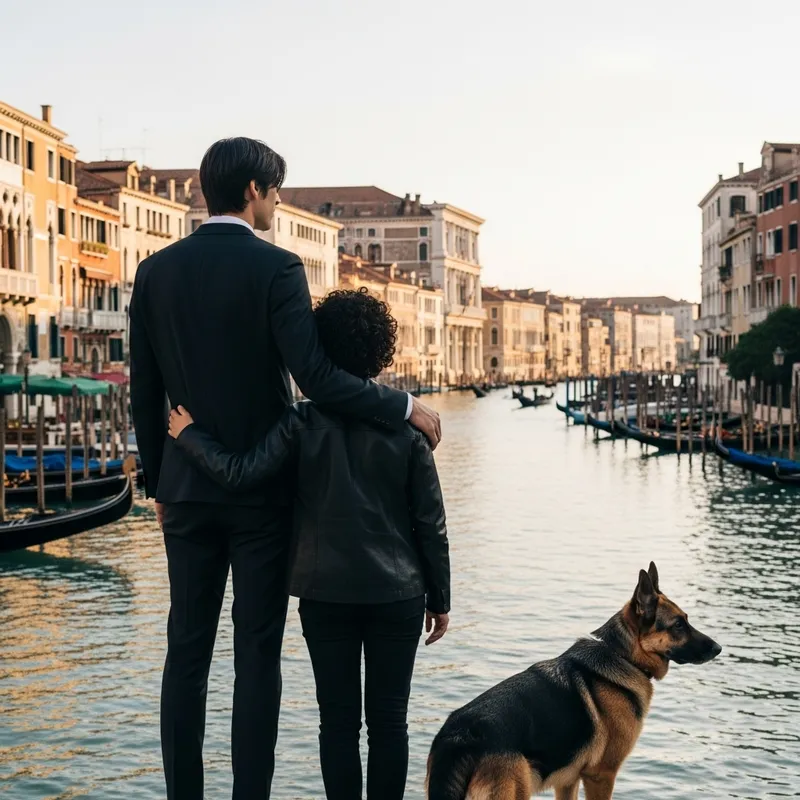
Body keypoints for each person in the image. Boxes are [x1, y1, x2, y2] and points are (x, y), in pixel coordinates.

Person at [129, 137, 442, 800]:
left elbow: (144, 387)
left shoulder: (155, 272)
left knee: (185, 653)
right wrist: (403, 404)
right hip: (261, 497)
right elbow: (320, 381)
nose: (277, 204)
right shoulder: (278, 268)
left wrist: (158, 481)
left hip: (184, 490)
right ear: (252, 191)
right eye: (275, 192)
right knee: (256, 658)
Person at [166, 287, 451, 800]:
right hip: (399, 596)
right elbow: (431, 524)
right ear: (381, 353)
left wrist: (190, 436)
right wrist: (441, 600)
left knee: (337, 723)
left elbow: (240, 473)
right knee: (390, 721)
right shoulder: (407, 432)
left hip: (325, 595)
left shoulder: (300, 424)